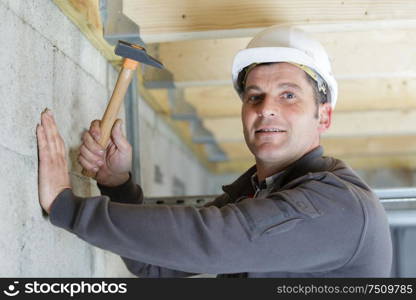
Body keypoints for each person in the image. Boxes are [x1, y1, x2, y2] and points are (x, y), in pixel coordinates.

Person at [36, 25, 392, 277]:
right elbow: (157, 264)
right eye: (255, 96)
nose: (266, 108)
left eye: (288, 95)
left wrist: (67, 207)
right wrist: (118, 184)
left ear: (324, 115)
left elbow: (210, 238)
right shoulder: (261, 189)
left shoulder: (339, 207)